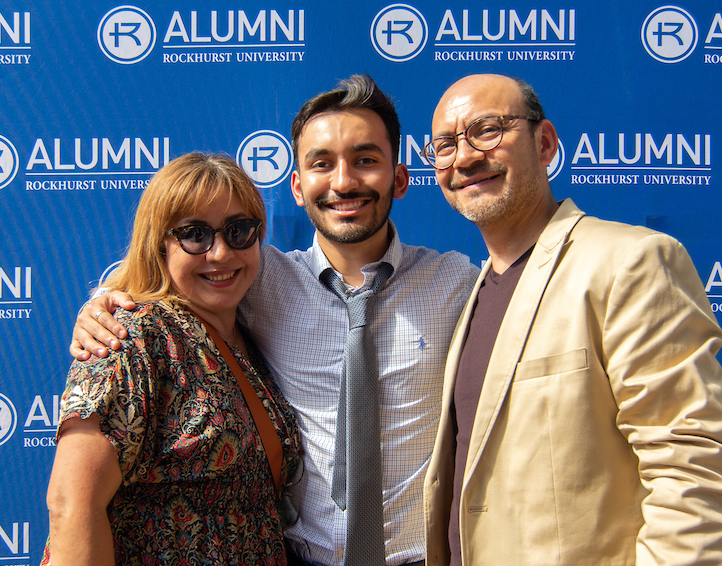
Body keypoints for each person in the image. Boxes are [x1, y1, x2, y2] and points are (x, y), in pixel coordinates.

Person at [68, 76, 480, 566]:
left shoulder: (458, 282)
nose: (343, 182)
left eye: (366, 160)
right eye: (321, 164)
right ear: (298, 187)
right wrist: (105, 305)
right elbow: (176, 282)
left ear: (400, 177)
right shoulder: (259, 279)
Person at [421, 73, 722, 565]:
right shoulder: (473, 292)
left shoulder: (631, 261)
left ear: (545, 144)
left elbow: (693, 471)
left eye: (488, 130)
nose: (466, 157)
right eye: (446, 144)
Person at [43, 153, 301, 566]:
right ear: (159, 243)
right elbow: (71, 505)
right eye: (195, 234)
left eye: (238, 230)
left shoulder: (250, 335)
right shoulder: (131, 336)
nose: (219, 253)